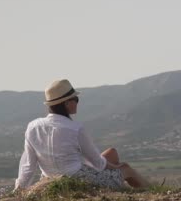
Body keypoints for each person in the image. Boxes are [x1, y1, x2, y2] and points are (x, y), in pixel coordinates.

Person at [14, 79, 149, 191]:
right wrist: (117, 167)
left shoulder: (32, 127)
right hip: (79, 179)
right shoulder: (75, 128)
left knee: (111, 153)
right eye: (75, 99)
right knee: (126, 168)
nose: (77, 102)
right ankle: (154, 191)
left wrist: (19, 189)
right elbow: (98, 163)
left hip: (50, 178)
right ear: (66, 103)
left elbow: (28, 166)